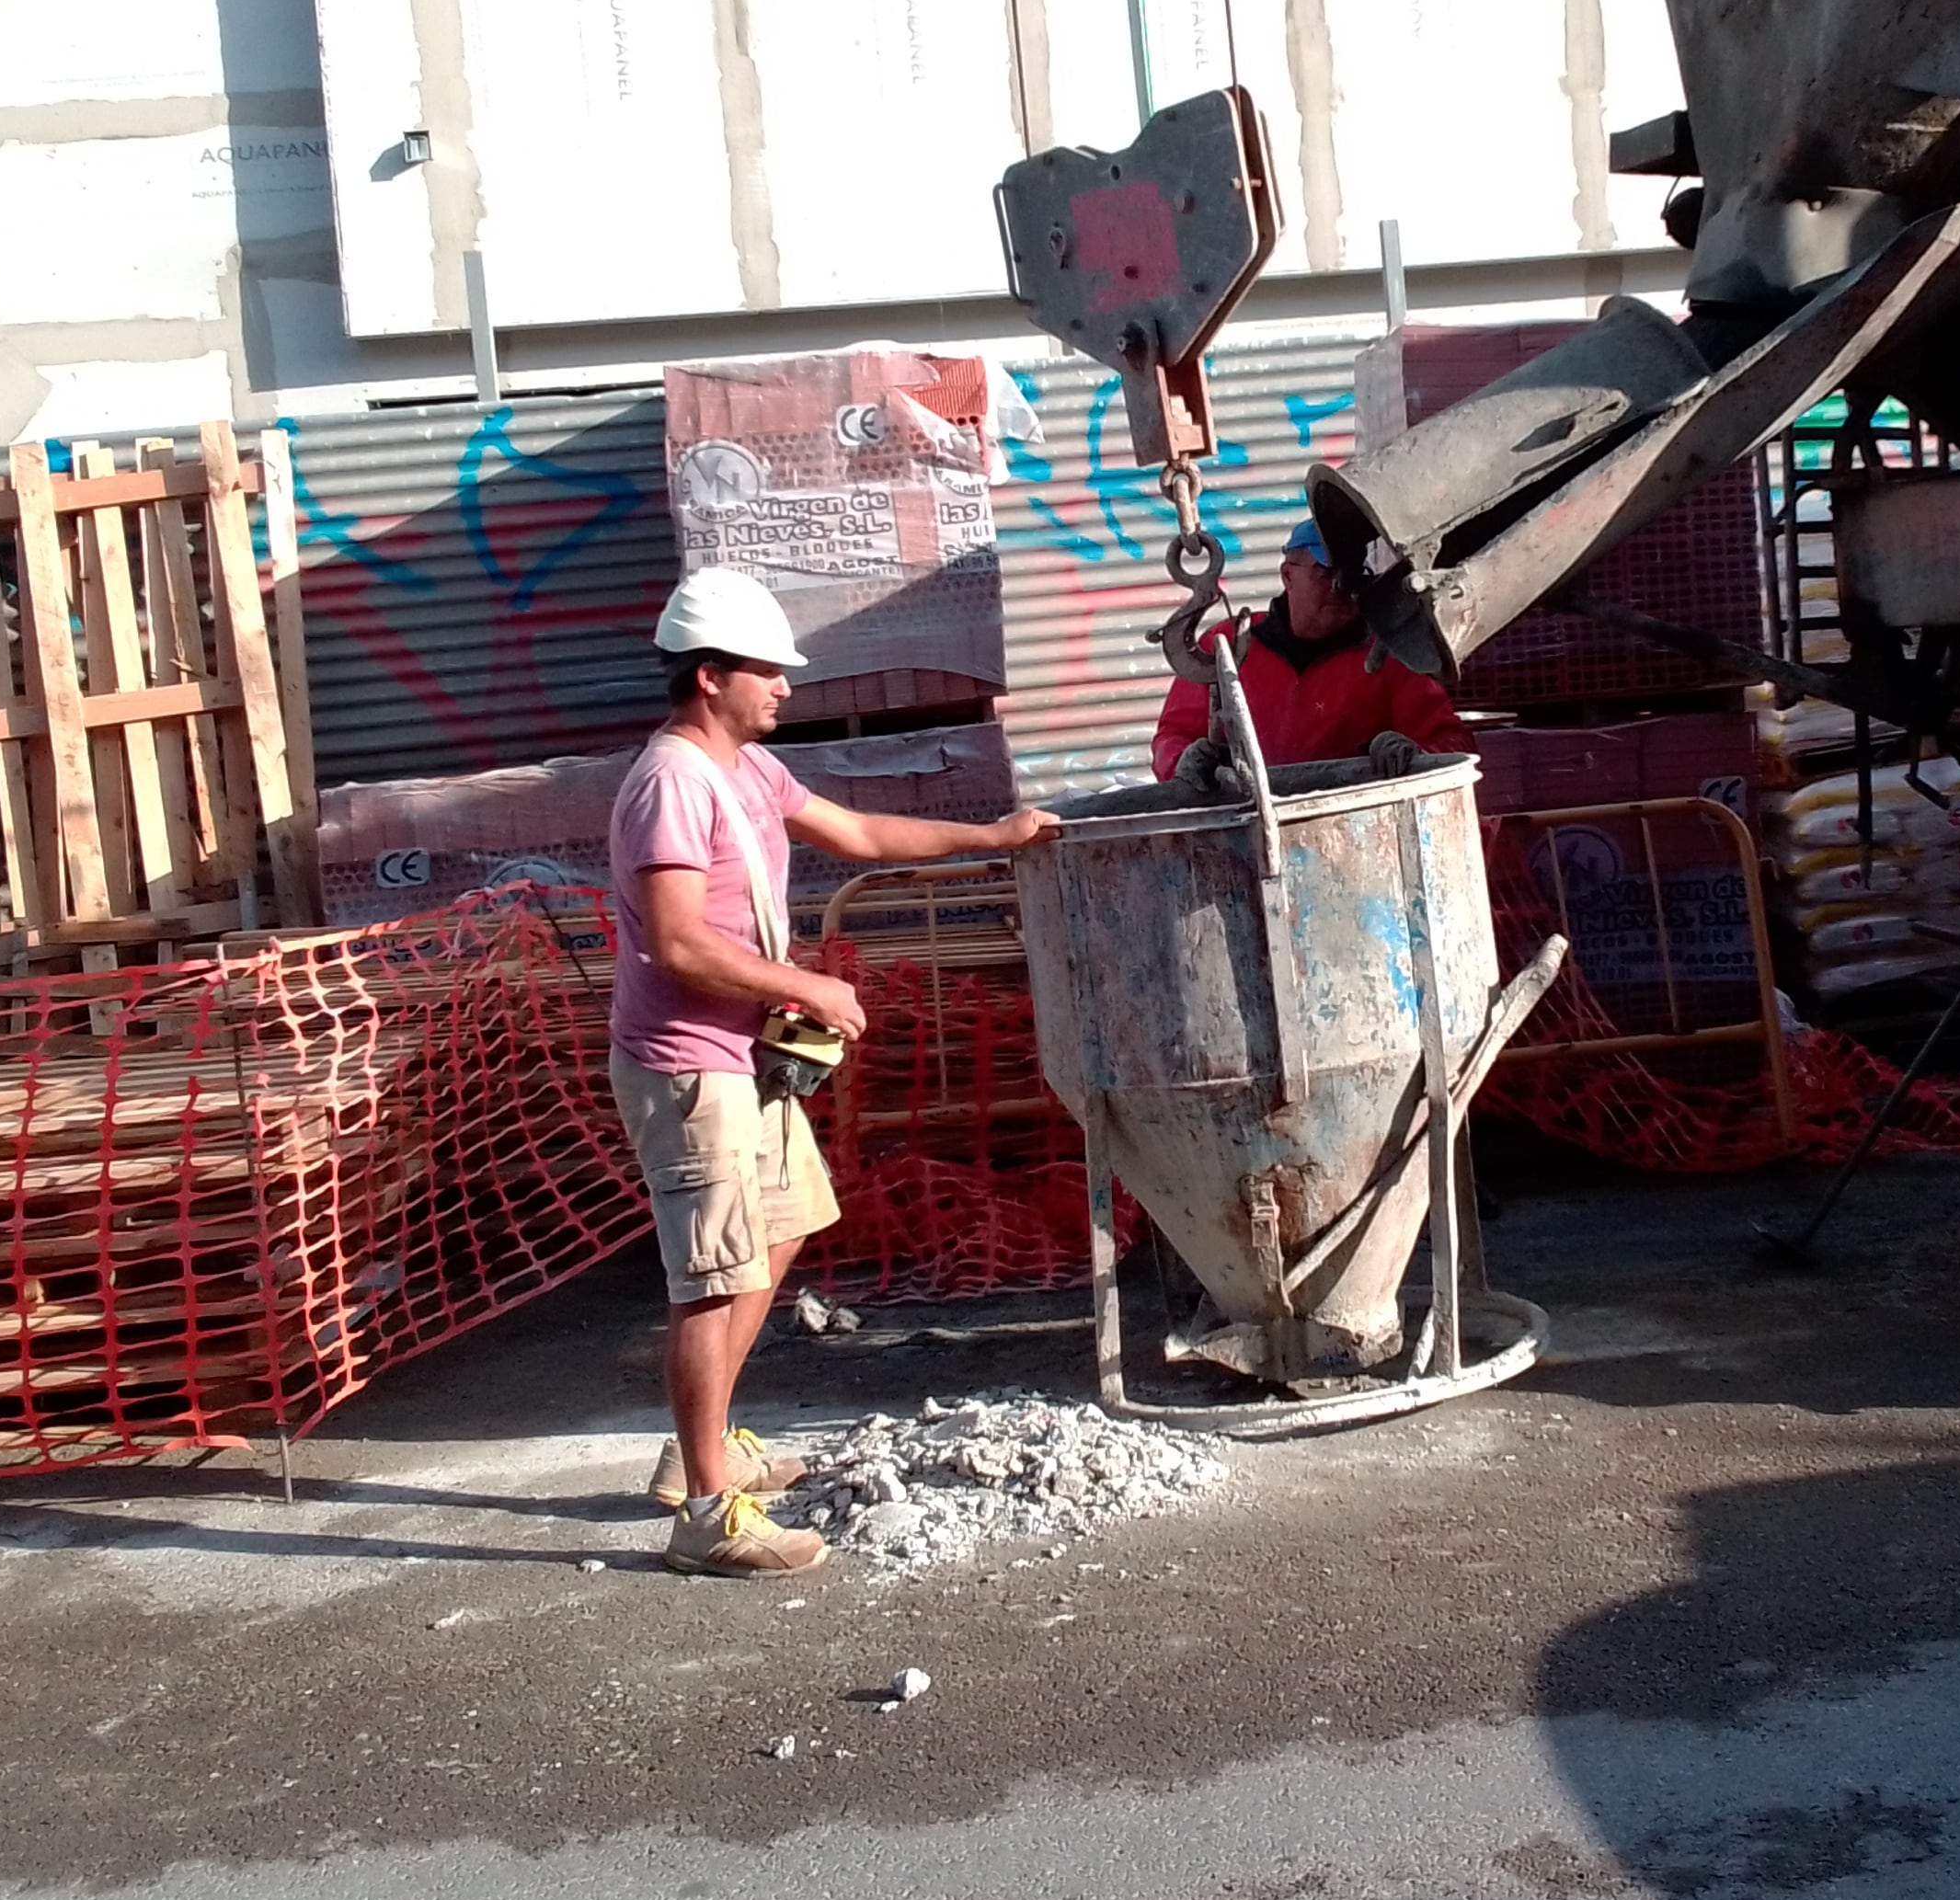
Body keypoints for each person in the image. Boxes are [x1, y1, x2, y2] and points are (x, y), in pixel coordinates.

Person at [613, 566, 1059, 1575]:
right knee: (709, 1280)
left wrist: (990, 837)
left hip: (744, 1061)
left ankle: (708, 1450)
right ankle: (704, 1513)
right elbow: (677, 943)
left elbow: (856, 833)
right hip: (692, 1070)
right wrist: (805, 987)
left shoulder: (746, 771)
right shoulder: (673, 783)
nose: (784, 687)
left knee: (778, 1233)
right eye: (766, 672)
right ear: (709, 675)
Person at [1147, 516, 1470, 784]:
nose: (1340, 586)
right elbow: (1173, 736)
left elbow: (1452, 744)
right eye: (1326, 571)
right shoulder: (1226, 645)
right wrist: (1183, 764)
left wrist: (1413, 755)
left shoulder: (1389, 657)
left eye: (1351, 574)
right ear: (1288, 576)